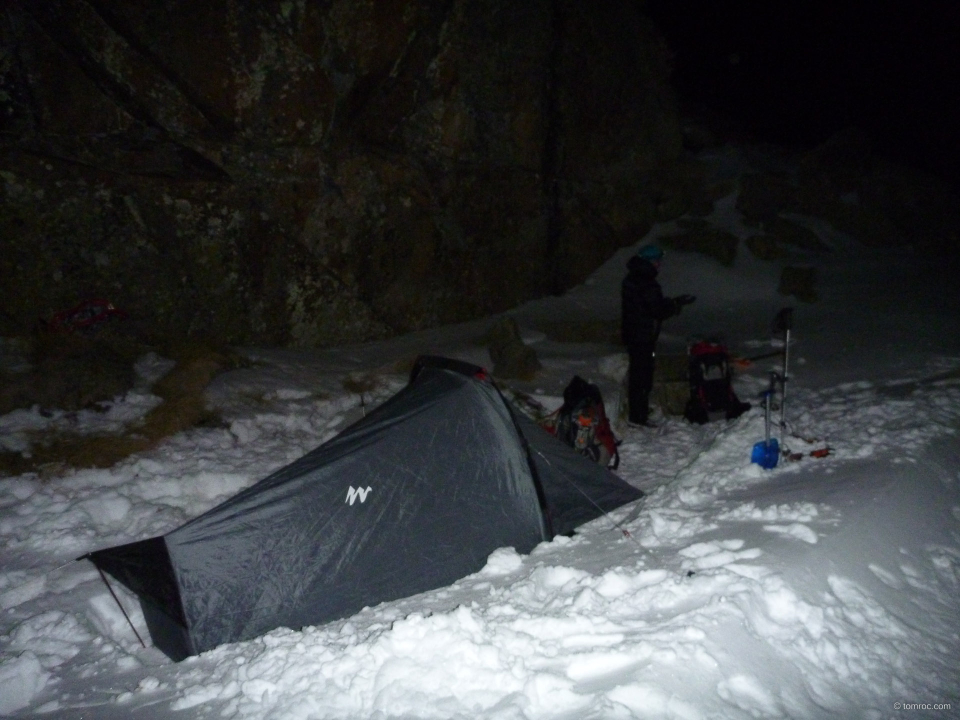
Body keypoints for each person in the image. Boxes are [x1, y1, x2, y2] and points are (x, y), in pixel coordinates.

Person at [620, 244, 695, 427]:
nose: (659, 265)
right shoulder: (646, 282)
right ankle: (638, 417)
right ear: (650, 262)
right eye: (657, 261)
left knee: (640, 375)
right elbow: (657, 309)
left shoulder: (633, 278)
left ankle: (639, 413)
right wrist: (676, 305)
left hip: (634, 333)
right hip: (642, 335)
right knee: (642, 376)